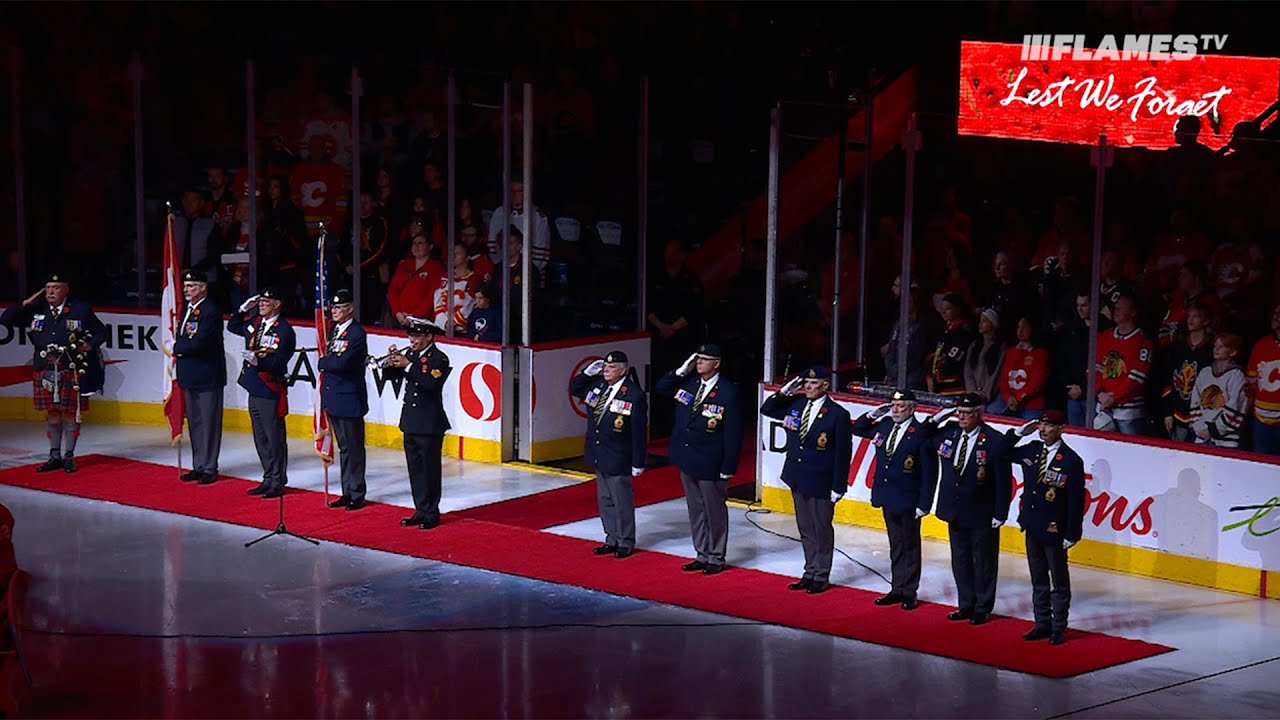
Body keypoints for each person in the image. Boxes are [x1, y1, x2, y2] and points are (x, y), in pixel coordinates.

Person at [0, 273, 107, 474]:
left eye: (55, 288)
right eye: (48, 287)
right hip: (45, 368)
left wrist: (90, 345)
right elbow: (6, 319)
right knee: (52, 412)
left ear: (66, 289)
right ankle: (54, 455)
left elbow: (102, 332)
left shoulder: (80, 309)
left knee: (69, 413)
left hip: (70, 368)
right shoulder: (36, 310)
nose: (50, 291)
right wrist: (24, 303)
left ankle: (69, 456)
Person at [760, 366, 853, 594]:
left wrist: (838, 486)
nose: (808, 387)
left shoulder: (837, 414)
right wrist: (785, 391)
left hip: (821, 479)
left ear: (825, 386)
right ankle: (809, 570)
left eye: (813, 384)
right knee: (805, 527)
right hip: (797, 476)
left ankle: (821, 574)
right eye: (806, 384)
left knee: (821, 528)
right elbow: (767, 408)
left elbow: (843, 453)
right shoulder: (796, 404)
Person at [655, 343, 742, 575]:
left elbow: (732, 434)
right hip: (688, 458)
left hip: (711, 461)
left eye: (704, 359)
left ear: (717, 363)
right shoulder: (688, 383)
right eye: (697, 359)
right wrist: (680, 371)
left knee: (714, 511)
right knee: (695, 510)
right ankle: (701, 553)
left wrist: (728, 467)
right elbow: (661, 388)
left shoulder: (727, 392)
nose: (699, 362)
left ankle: (716, 556)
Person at [926, 393, 1012, 625]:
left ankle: (982, 607)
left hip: (982, 511)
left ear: (979, 414)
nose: (962, 417)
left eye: (967, 413)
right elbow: (924, 435)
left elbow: (1004, 482)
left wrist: (1000, 513)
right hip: (954, 509)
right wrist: (937, 418)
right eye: (959, 413)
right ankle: (965, 604)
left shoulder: (994, 440)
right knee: (960, 560)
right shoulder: (950, 433)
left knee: (984, 562)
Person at [850, 389, 938, 609]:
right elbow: (858, 428)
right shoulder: (885, 425)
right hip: (887, 495)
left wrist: (924, 504)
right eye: (893, 406)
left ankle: (910, 591)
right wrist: (874, 414)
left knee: (910, 545)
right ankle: (897, 587)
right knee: (895, 544)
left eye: (900, 406)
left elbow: (930, 473)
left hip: (909, 498)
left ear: (912, 408)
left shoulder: (920, 432)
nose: (895, 410)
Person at [1004, 410, 1085, 645]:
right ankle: (1042, 623)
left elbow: (1075, 501)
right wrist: (1018, 433)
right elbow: (1001, 453)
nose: (1042, 429)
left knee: (1058, 581)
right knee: (1038, 578)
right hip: (1032, 525)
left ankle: (1059, 627)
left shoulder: (1070, 460)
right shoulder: (1032, 450)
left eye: (1048, 426)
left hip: (1055, 529)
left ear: (1061, 429)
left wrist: (1072, 533)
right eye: (1041, 424)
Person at [569, 350, 649, 559]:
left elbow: (639, 432)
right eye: (605, 366)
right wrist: (586, 373)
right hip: (599, 451)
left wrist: (638, 461)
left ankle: (625, 541)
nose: (606, 369)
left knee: (621, 500)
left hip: (620, 454)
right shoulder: (597, 386)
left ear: (622, 371)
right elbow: (574, 388)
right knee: (605, 499)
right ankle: (611, 538)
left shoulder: (633, 394)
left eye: (611, 367)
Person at [383, 317, 452, 529]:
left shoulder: (439, 358)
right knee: (415, 468)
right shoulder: (410, 355)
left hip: (429, 423)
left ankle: (432, 511)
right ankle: (420, 509)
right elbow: (392, 377)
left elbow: (430, 384)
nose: (412, 340)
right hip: (411, 421)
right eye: (410, 336)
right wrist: (391, 361)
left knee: (429, 468)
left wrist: (408, 365)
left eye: (416, 336)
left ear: (429, 336)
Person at [227, 287, 297, 498]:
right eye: (261, 301)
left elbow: (280, 361)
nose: (262, 304)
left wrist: (260, 361)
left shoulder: (284, 330)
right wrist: (242, 309)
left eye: (267, 301)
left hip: (269, 387)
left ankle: (277, 480)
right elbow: (233, 326)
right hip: (253, 387)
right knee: (260, 437)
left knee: (274, 437)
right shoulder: (255, 323)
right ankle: (267, 477)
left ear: (278, 304)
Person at [171, 269, 226, 484]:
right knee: (195, 422)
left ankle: (210, 467)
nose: (187, 290)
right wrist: (181, 347)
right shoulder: (188, 309)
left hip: (207, 375)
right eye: (185, 286)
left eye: (192, 286)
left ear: (203, 287)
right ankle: (198, 465)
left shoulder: (210, 310)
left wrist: (177, 348)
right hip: (190, 375)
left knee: (209, 423)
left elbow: (202, 342)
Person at [319, 289, 370, 510]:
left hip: (349, 399)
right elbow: (334, 359)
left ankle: (356, 492)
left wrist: (324, 362)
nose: (334, 311)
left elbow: (342, 363)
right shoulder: (334, 331)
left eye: (339, 308)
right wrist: (330, 361)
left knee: (354, 448)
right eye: (333, 308)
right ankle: (347, 491)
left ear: (350, 309)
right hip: (334, 397)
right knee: (344, 448)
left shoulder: (356, 333)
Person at [1189, 333, 1248, 449]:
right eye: (1215, 346)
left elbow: (1234, 407)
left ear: (1232, 352)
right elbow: (1195, 401)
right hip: (1201, 438)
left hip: (1226, 442)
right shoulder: (1205, 372)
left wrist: (1213, 431)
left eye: (1221, 346)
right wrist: (1199, 428)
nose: (1216, 349)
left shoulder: (1237, 376)